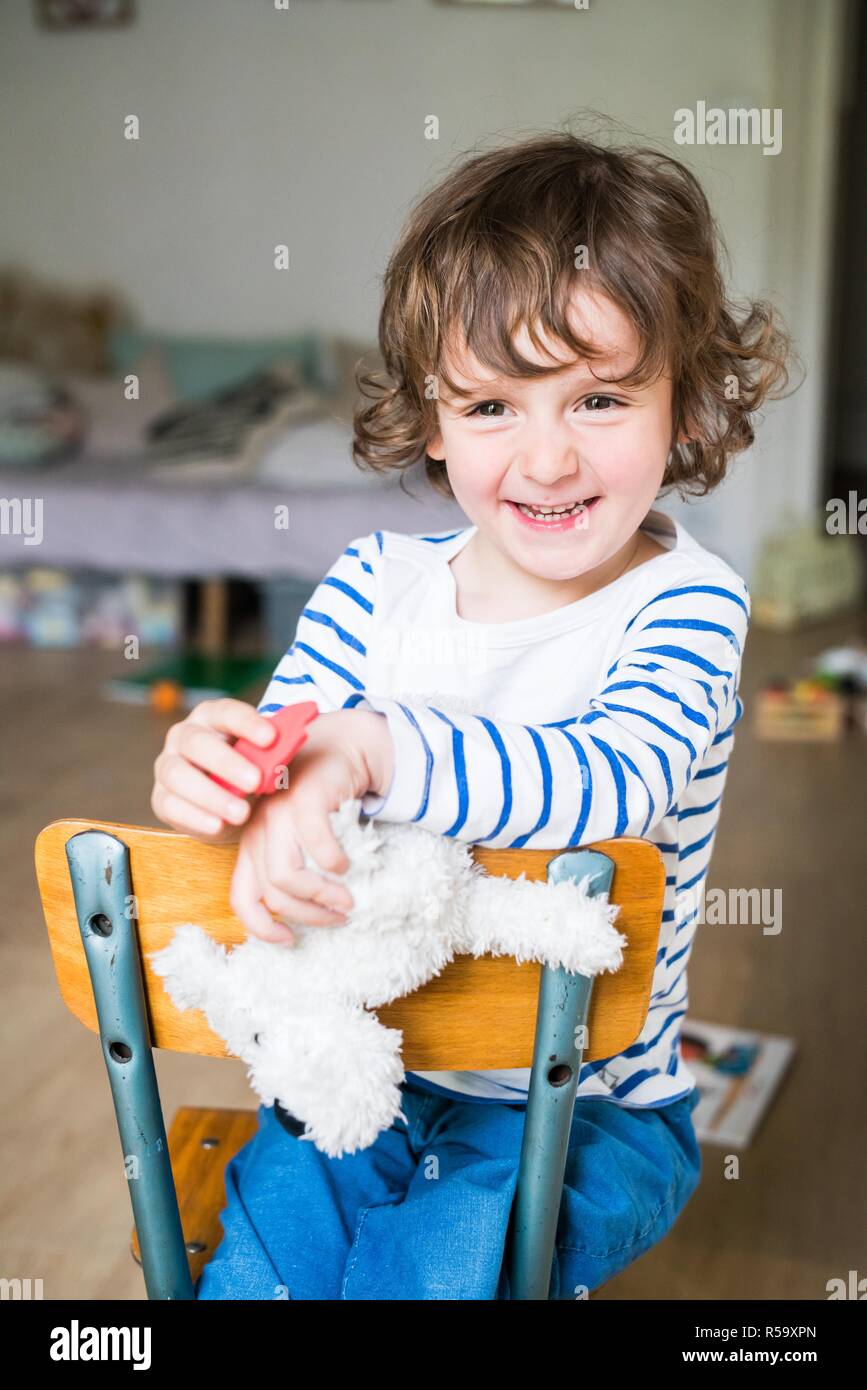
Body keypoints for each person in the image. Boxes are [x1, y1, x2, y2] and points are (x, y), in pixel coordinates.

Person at [151, 130, 794, 1299]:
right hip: (362, 1074)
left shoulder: (690, 602)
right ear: (434, 422)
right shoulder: (370, 581)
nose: (546, 457)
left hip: (582, 1106)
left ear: (687, 403)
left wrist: (373, 747)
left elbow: (611, 782)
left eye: (598, 396)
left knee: (422, 1279)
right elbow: (284, 754)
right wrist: (220, 765)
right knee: (256, 1280)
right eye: (494, 405)